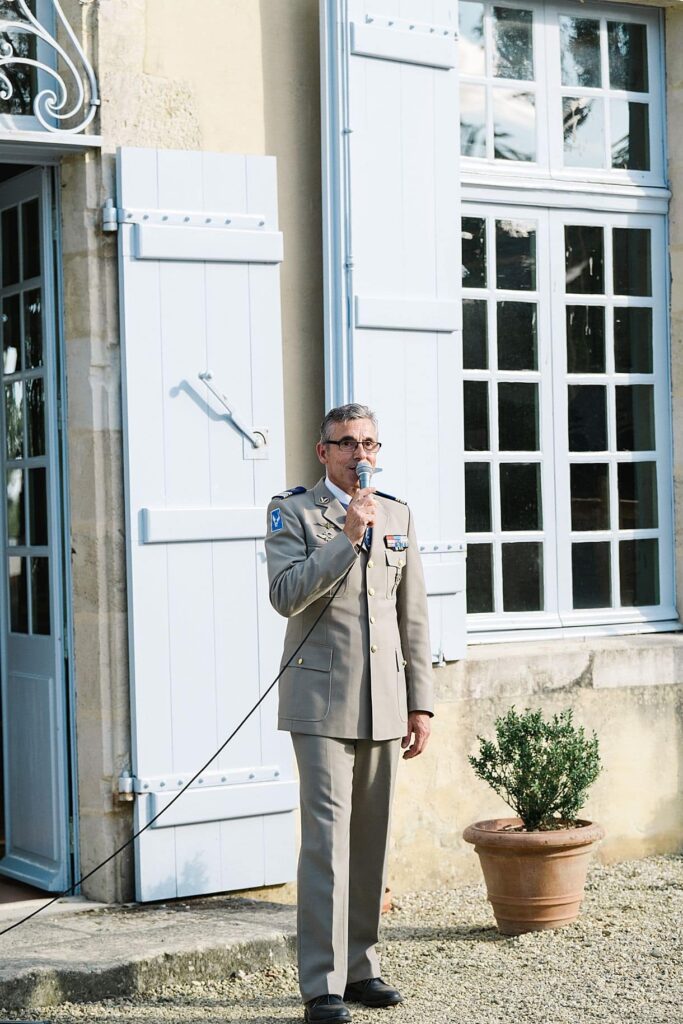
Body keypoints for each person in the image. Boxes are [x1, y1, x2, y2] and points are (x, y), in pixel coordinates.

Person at [265, 404, 433, 1024]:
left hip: (385, 701)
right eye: (347, 444)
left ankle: (362, 967)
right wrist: (348, 537)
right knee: (328, 844)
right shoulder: (295, 513)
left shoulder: (400, 513)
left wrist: (422, 702)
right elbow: (287, 596)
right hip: (321, 703)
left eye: (369, 443)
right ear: (323, 452)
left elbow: (410, 616)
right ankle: (323, 983)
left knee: (372, 842)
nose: (361, 454)